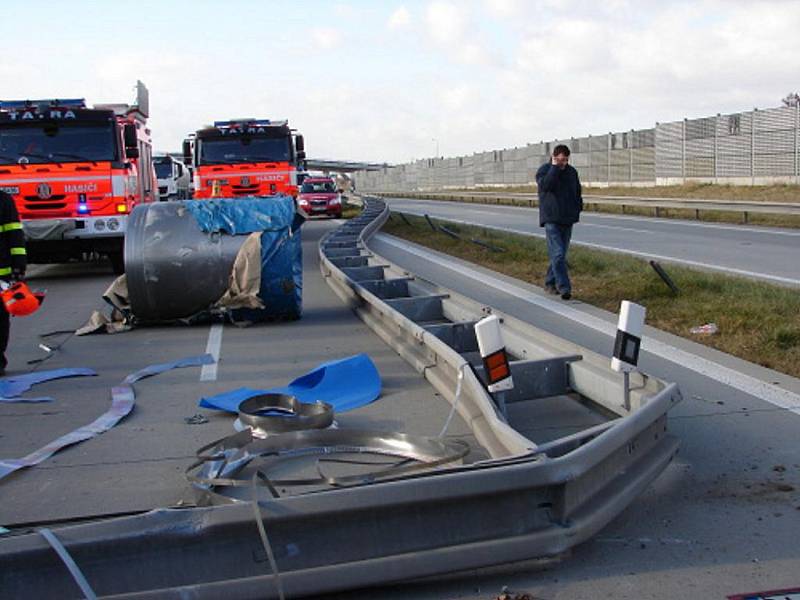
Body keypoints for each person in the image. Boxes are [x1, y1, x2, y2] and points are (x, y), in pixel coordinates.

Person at [535, 144, 583, 300]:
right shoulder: (544, 170)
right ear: (554, 157)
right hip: (551, 219)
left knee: (559, 255)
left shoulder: (572, 172)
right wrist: (554, 168)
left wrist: (577, 209)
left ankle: (549, 282)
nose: (563, 163)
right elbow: (546, 186)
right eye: (560, 160)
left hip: (567, 219)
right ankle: (564, 288)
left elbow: (577, 192)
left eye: (566, 160)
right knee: (558, 253)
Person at [0, 190, 26, 375]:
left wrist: (18, 265)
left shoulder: (3, 200)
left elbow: (15, 235)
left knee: (1, 318)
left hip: (1, 274)